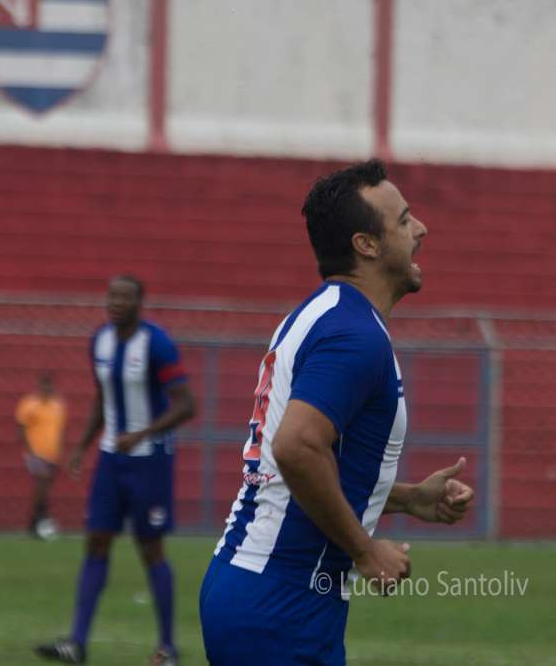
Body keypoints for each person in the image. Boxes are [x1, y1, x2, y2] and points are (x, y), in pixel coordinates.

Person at [199, 160, 475, 665]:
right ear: (365, 244)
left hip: (266, 592)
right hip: (282, 601)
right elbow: (297, 448)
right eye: (404, 220)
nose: (421, 230)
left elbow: (297, 471)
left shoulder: (327, 315)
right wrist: (366, 552)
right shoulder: (354, 335)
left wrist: (409, 499)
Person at [36, 275, 196, 666]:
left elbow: (187, 405)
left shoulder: (156, 343)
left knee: (151, 548)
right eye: (111, 296)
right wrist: (83, 446)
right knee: (96, 542)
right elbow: (102, 397)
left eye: (124, 297)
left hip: (150, 460)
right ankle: (77, 643)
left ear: (140, 303)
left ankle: (167, 649)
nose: (115, 302)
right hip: (111, 460)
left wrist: (142, 432)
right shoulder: (100, 341)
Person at [15, 371, 67, 539]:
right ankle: (42, 520)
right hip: (36, 453)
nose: (46, 389)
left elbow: (60, 430)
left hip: (52, 453)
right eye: (43, 386)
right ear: (38, 387)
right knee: (42, 486)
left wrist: (60, 450)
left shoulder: (58, 406)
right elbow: (21, 430)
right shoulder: (29, 404)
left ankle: (34, 523)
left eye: (49, 386)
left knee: (44, 489)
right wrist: (30, 453)